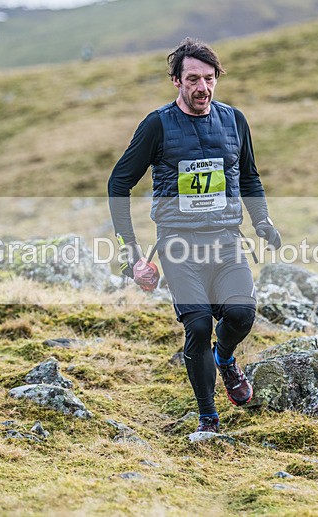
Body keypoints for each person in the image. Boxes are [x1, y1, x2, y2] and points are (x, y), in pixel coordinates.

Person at [107, 37, 281, 434]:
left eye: (209, 78)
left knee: (241, 314)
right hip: (178, 245)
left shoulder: (234, 120)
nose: (202, 88)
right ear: (176, 81)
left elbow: (250, 176)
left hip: (226, 240)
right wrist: (131, 254)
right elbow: (118, 183)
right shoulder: (157, 125)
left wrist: (263, 221)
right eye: (192, 80)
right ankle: (208, 420)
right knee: (199, 325)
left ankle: (226, 359)